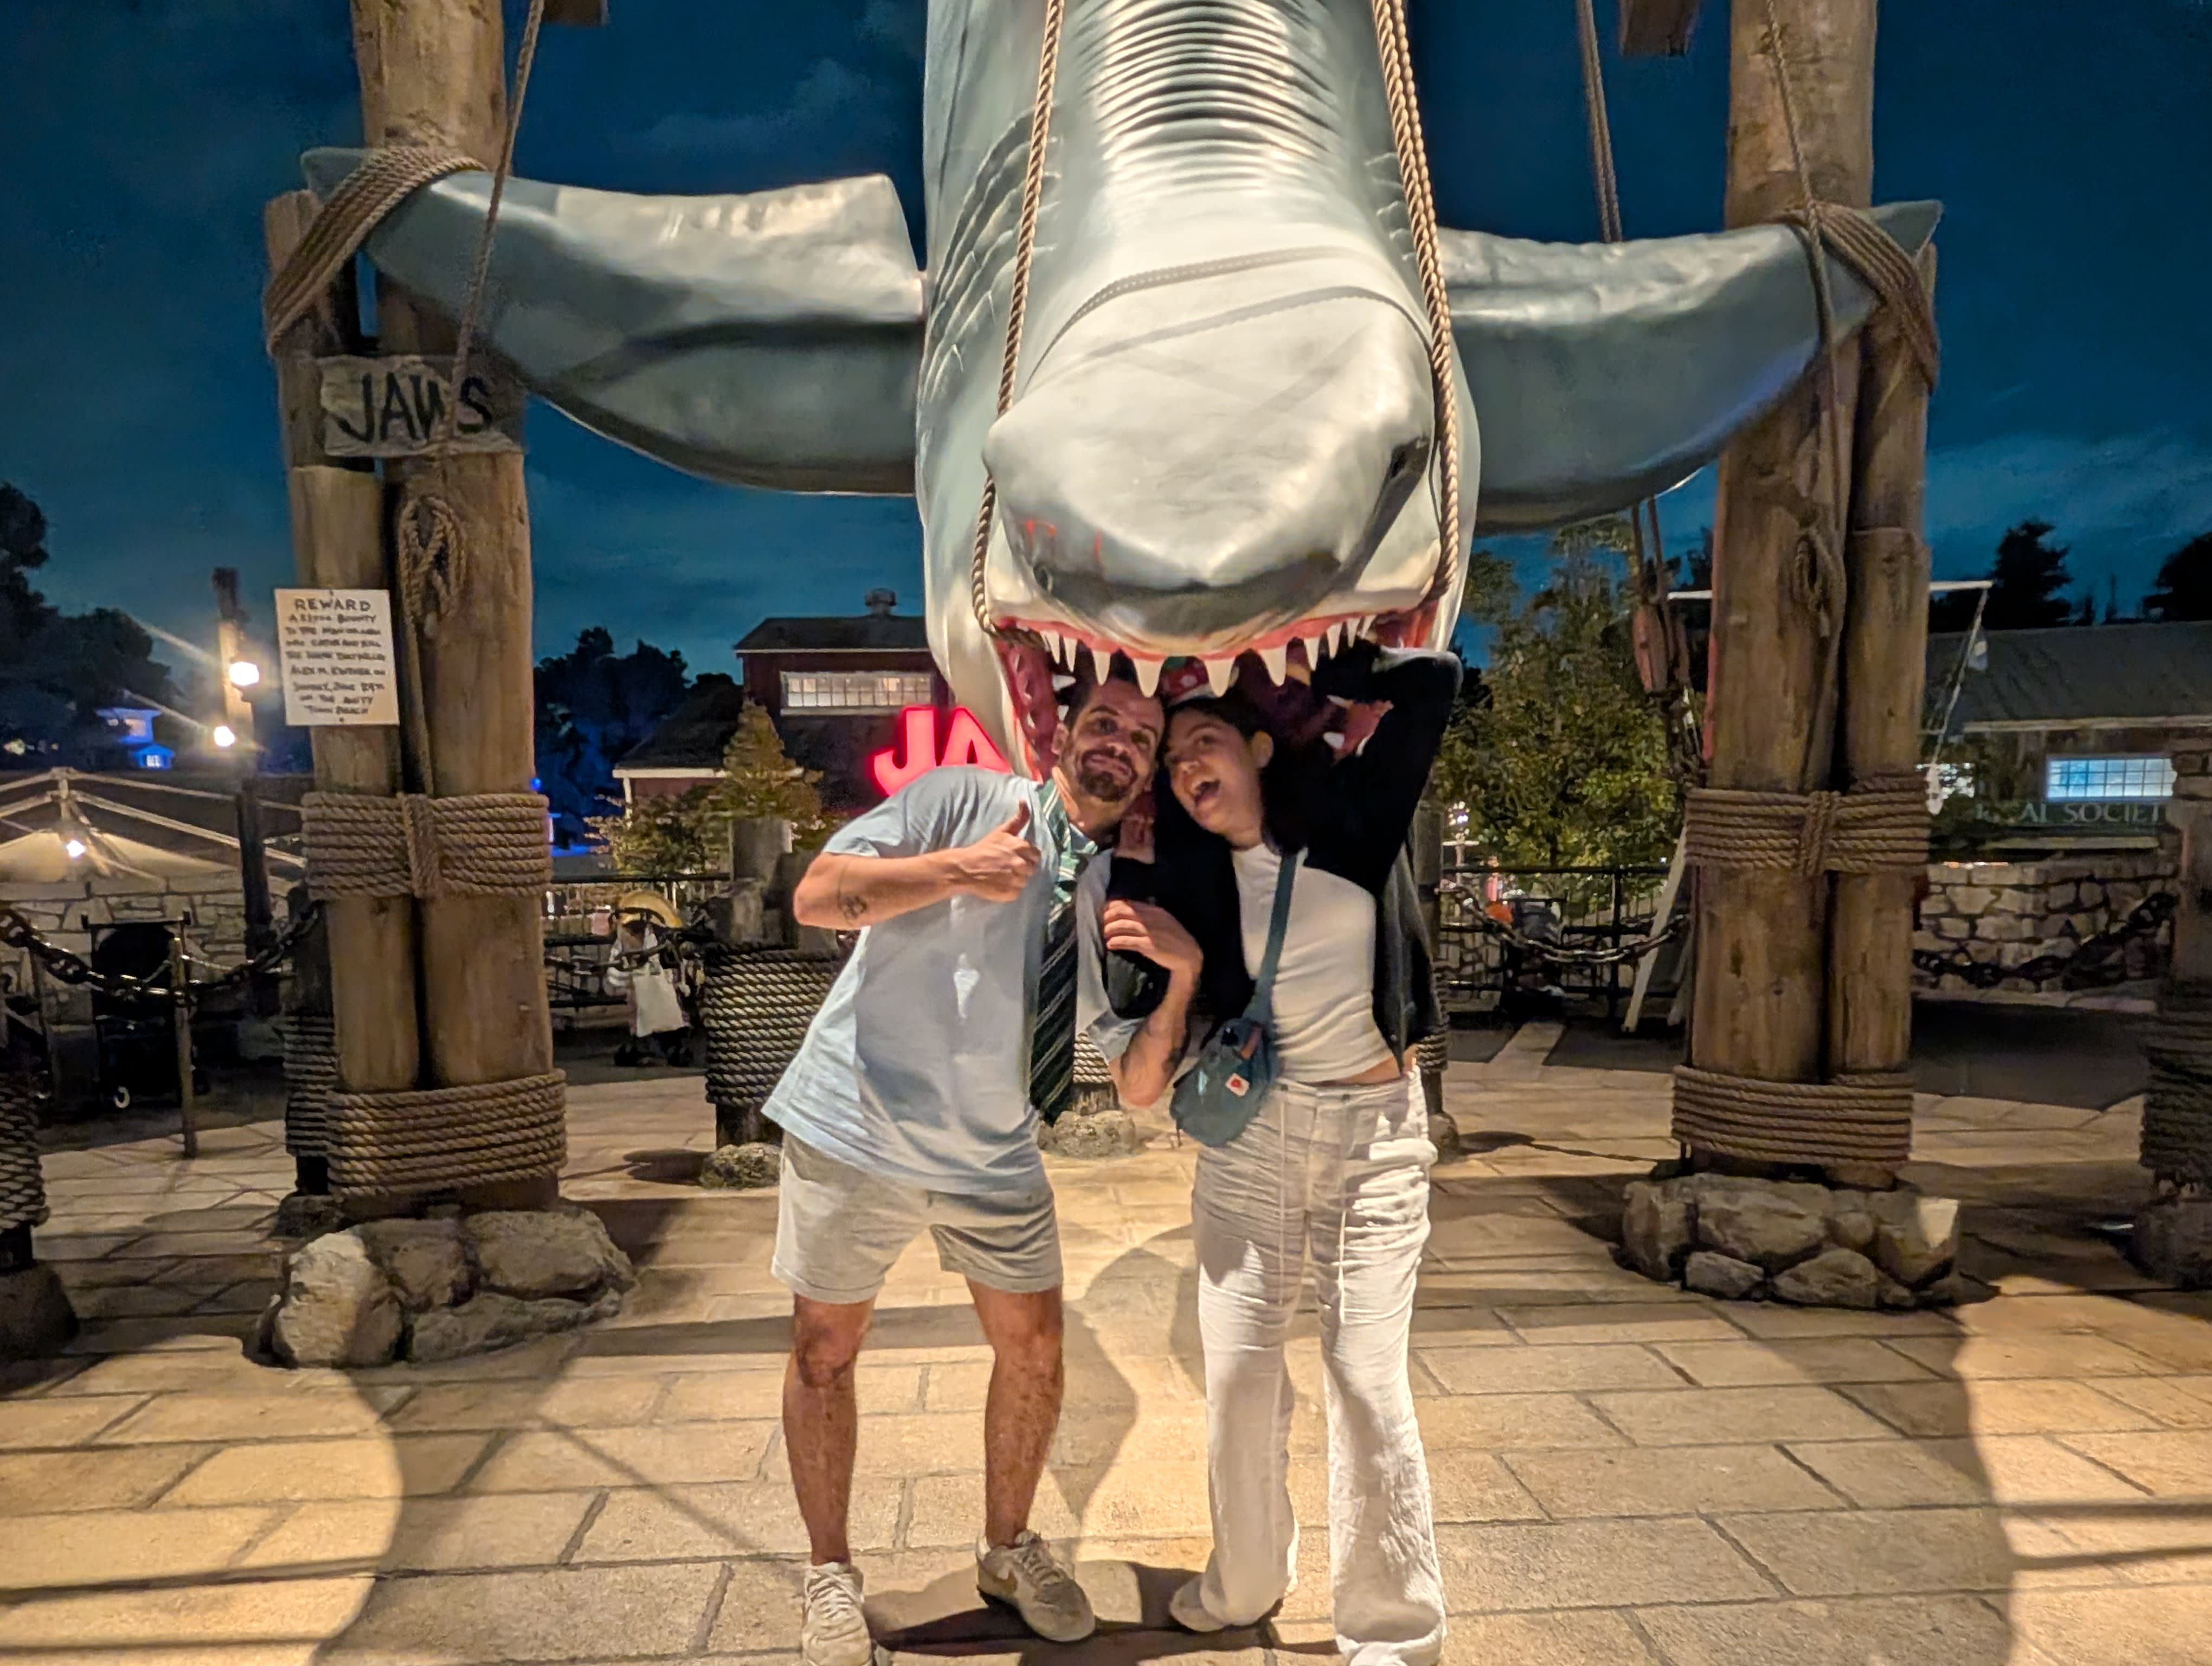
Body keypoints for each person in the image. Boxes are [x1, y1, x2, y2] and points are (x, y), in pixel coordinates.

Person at [764, 672, 1166, 1666]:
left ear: (1147, 771)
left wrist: (1184, 979)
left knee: (1035, 1348)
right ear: (1065, 734)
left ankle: (1007, 1548)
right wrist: (954, 871)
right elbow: (817, 898)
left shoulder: (1113, 888)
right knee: (825, 1348)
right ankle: (829, 1575)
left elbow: (1138, 1077)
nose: (1120, 744)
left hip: (994, 1150)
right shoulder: (961, 800)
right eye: (1106, 723)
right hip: (859, 1122)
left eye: (1144, 739)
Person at [1083, 640, 1458, 1666]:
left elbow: (1434, 687)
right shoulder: (1192, 878)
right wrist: (1176, 960)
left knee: (1365, 1376)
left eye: (1205, 744)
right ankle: (1244, 1578)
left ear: (1258, 747)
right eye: (1176, 763)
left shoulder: (1353, 819)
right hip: (1256, 1143)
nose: (1187, 770)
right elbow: (1132, 1005)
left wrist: (1318, 671)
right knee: (1242, 1376)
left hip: (1376, 1139)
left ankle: (1393, 1627)